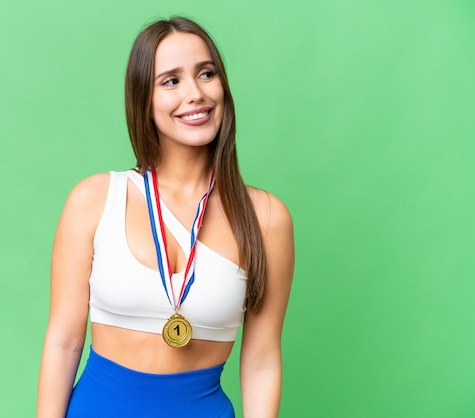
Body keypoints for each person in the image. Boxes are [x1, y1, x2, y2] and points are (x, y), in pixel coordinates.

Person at [36, 16, 294, 418]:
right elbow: (63, 341)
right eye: (170, 81)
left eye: (205, 73)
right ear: (144, 101)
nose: (195, 93)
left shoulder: (266, 218)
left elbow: (261, 362)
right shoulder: (94, 199)